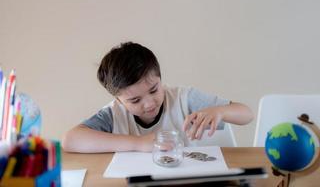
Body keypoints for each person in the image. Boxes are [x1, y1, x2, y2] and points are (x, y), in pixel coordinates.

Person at [62, 42, 253, 153]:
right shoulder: (114, 114)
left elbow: (247, 114)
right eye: (135, 100)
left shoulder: (183, 98)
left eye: (154, 90)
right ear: (119, 100)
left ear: (160, 79)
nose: (149, 103)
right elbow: (70, 140)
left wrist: (220, 111)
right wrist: (139, 143)